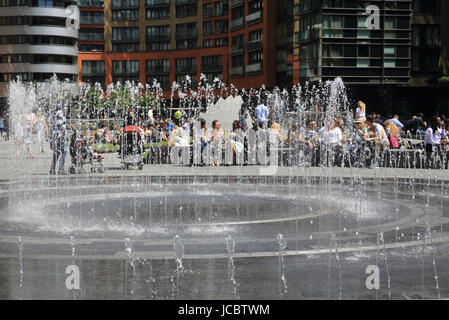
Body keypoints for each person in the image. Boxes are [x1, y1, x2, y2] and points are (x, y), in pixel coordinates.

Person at [48, 101, 68, 175]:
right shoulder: (60, 113)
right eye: (64, 106)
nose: (65, 108)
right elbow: (60, 124)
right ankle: (61, 169)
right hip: (60, 136)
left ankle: (52, 169)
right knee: (63, 152)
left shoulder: (53, 114)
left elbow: (51, 125)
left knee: (56, 153)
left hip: (54, 136)